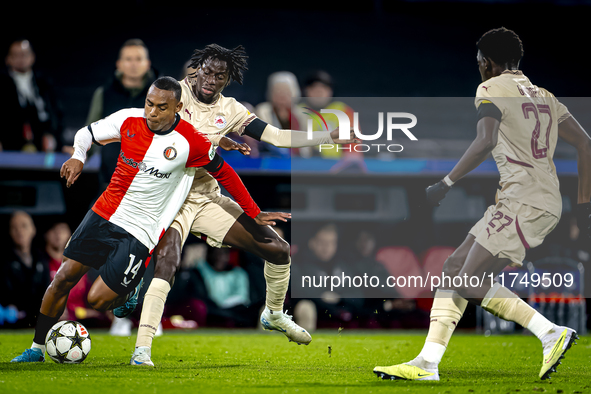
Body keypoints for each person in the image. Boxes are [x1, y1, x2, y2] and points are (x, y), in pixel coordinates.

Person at [374, 27, 591, 381]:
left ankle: (550, 332)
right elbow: (586, 145)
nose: (478, 68)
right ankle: (427, 363)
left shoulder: (490, 89)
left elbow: (485, 140)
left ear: (487, 62)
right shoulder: (546, 96)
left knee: (465, 279)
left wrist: (445, 183)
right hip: (536, 200)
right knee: (453, 269)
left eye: (479, 61)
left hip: (523, 200)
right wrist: (584, 208)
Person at [10, 76, 273, 363]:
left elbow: (224, 172)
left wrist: (253, 211)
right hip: (104, 214)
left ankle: (129, 289)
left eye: (162, 107)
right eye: (149, 103)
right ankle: (35, 350)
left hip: (140, 231)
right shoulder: (127, 119)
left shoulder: (190, 141)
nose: (152, 112)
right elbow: (87, 133)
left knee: (97, 301)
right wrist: (78, 156)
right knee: (63, 278)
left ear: (177, 107)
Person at [130, 44, 359, 367]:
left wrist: (324, 137)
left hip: (206, 197)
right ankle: (142, 348)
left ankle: (274, 314)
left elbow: (277, 137)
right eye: (207, 71)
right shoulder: (174, 93)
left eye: (220, 75)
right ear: (196, 69)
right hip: (169, 196)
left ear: (227, 80)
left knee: (278, 249)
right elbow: (146, 130)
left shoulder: (232, 109)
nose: (211, 79)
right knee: (167, 261)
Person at [86, 38, 157, 192]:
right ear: (119, 64)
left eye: (138, 59)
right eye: (128, 59)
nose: (133, 64)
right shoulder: (104, 94)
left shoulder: (162, 95)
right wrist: (79, 151)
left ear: (147, 63)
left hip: (150, 185)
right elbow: (91, 133)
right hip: (110, 184)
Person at [0, 39, 64, 152]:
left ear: (32, 57)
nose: (21, 59)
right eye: (16, 55)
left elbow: (56, 113)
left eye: (24, 55)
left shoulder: (43, 83)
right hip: (10, 143)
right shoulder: (2, 84)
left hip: (42, 144)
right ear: (8, 59)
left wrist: (52, 134)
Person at [0, 211, 50, 327]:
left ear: (33, 229)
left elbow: (47, 291)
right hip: (11, 322)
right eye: (14, 227)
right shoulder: (3, 260)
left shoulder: (42, 258)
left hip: (38, 321)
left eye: (24, 226)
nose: (19, 231)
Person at [254, 71, 301, 157]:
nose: (281, 95)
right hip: (270, 158)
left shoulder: (301, 113)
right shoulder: (262, 110)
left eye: (285, 92)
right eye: (277, 91)